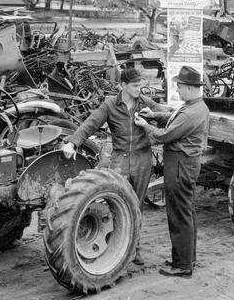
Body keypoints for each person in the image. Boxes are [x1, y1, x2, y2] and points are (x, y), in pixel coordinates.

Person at [62, 67, 171, 266]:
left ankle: (135, 249)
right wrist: (73, 142)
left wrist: (154, 113)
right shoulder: (110, 105)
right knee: (115, 204)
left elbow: (169, 113)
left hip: (142, 160)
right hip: (120, 160)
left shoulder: (144, 103)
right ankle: (114, 248)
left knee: (136, 205)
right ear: (123, 86)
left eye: (140, 85)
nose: (139, 89)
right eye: (135, 86)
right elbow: (91, 123)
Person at [134, 65, 209, 278]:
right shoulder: (195, 106)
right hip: (185, 164)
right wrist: (154, 113)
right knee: (187, 211)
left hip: (179, 165)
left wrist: (144, 125)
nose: (177, 91)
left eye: (179, 87)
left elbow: (165, 135)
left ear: (189, 87)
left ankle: (182, 265)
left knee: (178, 214)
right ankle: (187, 257)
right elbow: (173, 116)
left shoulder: (192, 112)